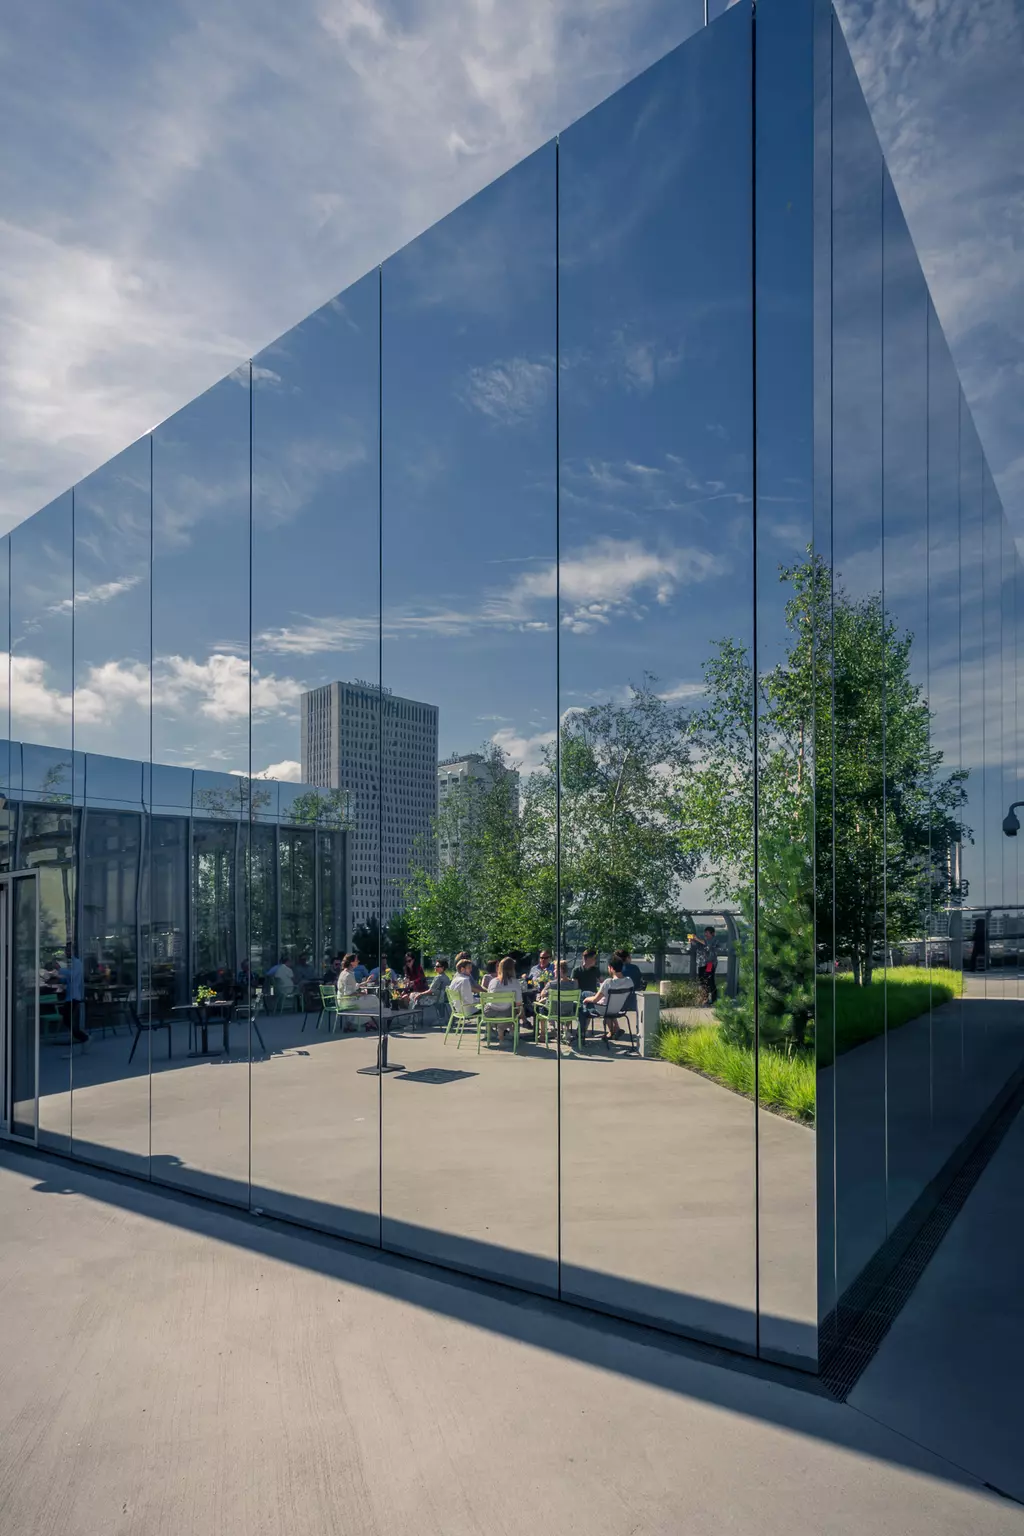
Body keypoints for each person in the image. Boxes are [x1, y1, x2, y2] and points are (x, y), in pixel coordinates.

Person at [582, 956, 633, 1042]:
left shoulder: (608, 982)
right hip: (618, 1008)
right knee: (591, 994)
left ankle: (582, 1031)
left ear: (611, 968)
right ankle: (614, 1030)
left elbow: (595, 1000)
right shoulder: (629, 981)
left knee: (584, 994)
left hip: (604, 1008)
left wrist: (586, 1000)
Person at [484, 956, 523, 1043]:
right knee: (515, 1008)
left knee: (497, 1007)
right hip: (505, 1012)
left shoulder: (493, 981)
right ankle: (508, 1030)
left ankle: (491, 1030)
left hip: (489, 1012)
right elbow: (518, 1003)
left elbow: (488, 997)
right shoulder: (515, 982)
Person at [58, 944, 88, 1044]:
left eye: (68, 951)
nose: (67, 953)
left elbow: (73, 975)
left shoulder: (77, 963)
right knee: (67, 1019)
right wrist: (60, 979)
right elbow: (69, 978)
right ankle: (80, 1036)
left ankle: (83, 1037)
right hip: (70, 997)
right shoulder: (71, 964)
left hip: (74, 996)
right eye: (66, 951)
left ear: (74, 951)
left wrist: (60, 969)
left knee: (68, 1019)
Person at [336, 953, 364, 1025]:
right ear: (352, 962)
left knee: (369, 999)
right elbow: (348, 993)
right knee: (374, 1000)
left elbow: (352, 986)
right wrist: (360, 994)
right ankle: (367, 1022)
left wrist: (365, 982)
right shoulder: (348, 975)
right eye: (357, 960)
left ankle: (353, 1023)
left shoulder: (344, 972)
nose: (358, 961)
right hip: (346, 1002)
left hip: (340, 1000)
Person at [694, 926, 719, 1004]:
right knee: (702, 980)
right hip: (701, 963)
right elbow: (699, 947)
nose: (705, 934)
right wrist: (693, 941)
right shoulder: (703, 940)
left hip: (710, 963)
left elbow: (709, 946)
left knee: (709, 980)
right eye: (705, 932)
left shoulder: (714, 940)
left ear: (712, 933)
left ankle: (714, 999)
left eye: (707, 933)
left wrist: (697, 939)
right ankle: (705, 998)